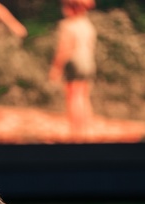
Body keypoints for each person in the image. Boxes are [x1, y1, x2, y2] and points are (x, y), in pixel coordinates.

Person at [49, 0, 97, 135]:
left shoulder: (67, 25)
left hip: (74, 62)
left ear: (71, 8)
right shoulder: (88, 25)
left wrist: (56, 68)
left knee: (73, 96)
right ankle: (87, 128)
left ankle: (75, 130)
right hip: (88, 62)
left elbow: (64, 49)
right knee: (84, 95)